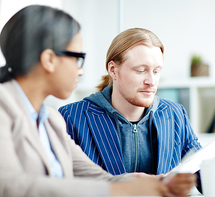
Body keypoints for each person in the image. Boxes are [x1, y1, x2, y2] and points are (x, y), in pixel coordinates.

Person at [0, 5, 194, 196]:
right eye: (77, 58)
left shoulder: (51, 120)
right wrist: (118, 190)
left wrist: (161, 184)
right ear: (49, 59)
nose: (80, 70)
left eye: (156, 71)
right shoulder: (4, 108)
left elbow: (100, 179)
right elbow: (10, 186)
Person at [58, 27, 204, 193]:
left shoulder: (175, 114)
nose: (151, 81)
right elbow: (60, 186)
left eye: (156, 71)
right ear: (113, 70)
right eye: (141, 70)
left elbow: (202, 175)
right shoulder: (71, 117)